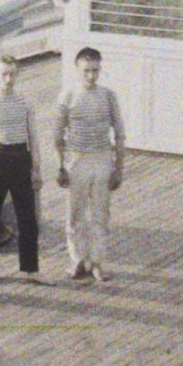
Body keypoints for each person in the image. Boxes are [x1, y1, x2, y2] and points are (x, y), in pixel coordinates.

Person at [52, 46, 126, 282]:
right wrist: (60, 166)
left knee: (101, 214)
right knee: (75, 214)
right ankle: (77, 259)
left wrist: (118, 168)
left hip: (102, 158)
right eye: (86, 71)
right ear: (77, 70)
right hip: (77, 159)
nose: (91, 76)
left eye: (95, 70)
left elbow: (120, 133)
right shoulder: (67, 96)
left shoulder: (108, 96)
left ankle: (97, 261)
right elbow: (57, 135)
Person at [0, 56, 41, 281]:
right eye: (4, 74)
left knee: (27, 217)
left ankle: (30, 268)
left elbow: (33, 136)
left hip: (21, 158)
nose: (9, 79)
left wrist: (36, 169)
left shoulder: (24, 101)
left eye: (12, 74)